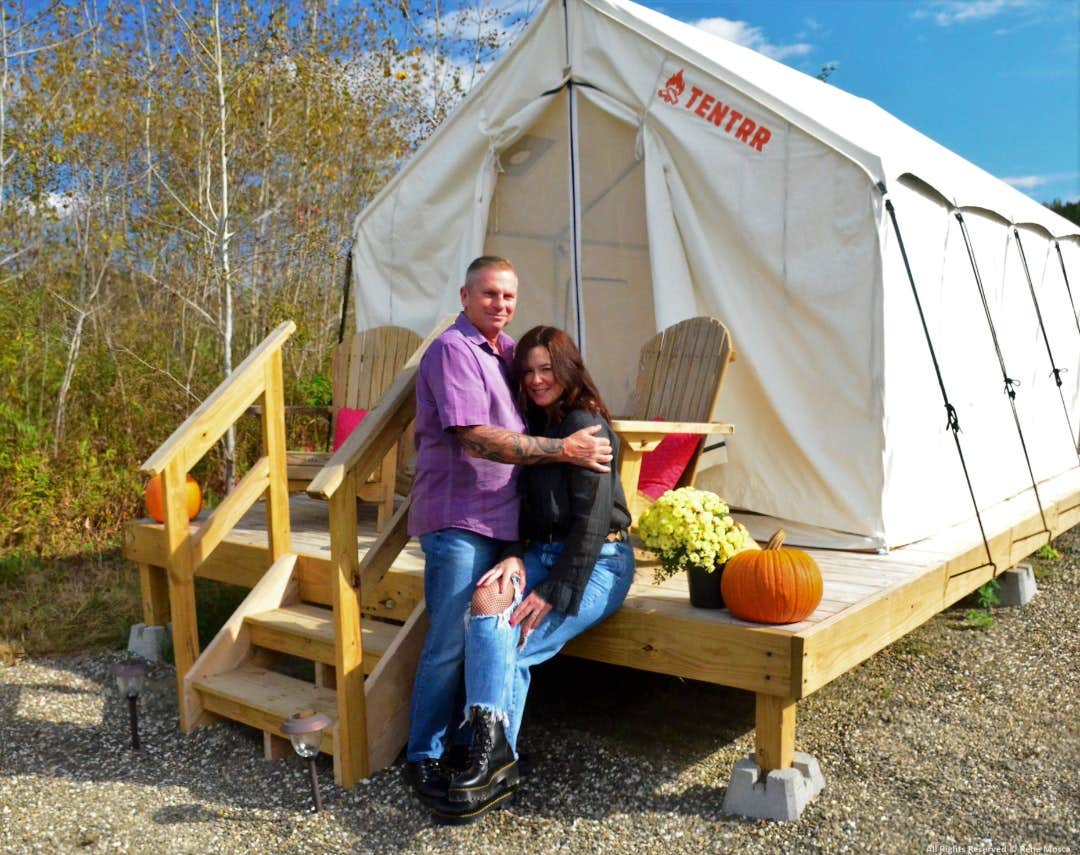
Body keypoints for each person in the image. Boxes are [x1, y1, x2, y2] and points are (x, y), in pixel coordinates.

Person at [404, 257, 613, 819]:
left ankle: (474, 751)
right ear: (465, 295)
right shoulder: (453, 350)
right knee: (448, 641)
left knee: (483, 629)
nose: (500, 304)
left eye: (509, 296)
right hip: (460, 519)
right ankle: (424, 755)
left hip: (507, 526)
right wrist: (564, 451)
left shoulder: (510, 353)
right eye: (490, 294)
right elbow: (474, 438)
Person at [442, 325, 635, 811]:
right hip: (539, 553)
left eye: (546, 369)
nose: (535, 379)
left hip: (598, 561)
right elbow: (521, 507)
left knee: (515, 639)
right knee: (487, 602)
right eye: (527, 371)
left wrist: (552, 590)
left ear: (567, 369)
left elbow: (592, 524)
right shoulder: (533, 429)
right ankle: (494, 755)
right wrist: (512, 553)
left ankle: (488, 758)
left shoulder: (586, 427)